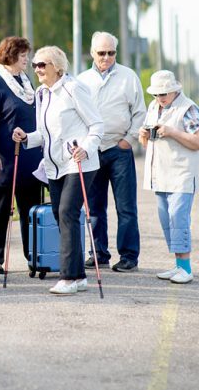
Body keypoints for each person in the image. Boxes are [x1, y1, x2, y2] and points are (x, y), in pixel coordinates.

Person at [12, 46, 103, 295]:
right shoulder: (42, 93)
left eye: (43, 64)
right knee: (59, 213)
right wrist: (26, 138)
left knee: (67, 211)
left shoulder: (73, 88)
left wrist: (85, 147)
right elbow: (44, 133)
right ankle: (79, 276)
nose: (38, 69)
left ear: (58, 68)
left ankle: (68, 277)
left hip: (79, 161)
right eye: (35, 65)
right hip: (53, 165)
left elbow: (96, 124)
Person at [77, 31, 146, 273]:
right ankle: (98, 253)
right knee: (94, 208)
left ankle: (128, 256)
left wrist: (129, 140)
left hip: (119, 149)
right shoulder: (82, 80)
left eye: (111, 52)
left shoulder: (128, 77)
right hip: (93, 151)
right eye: (101, 53)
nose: (106, 57)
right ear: (92, 53)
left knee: (126, 207)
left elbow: (140, 112)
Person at [0, 36, 43, 272]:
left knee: (31, 211)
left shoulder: (26, 82)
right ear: (11, 55)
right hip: (4, 159)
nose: (27, 59)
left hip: (30, 158)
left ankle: (35, 257)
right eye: (23, 54)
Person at [139, 70, 199, 284]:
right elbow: (148, 144)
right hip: (160, 174)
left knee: (179, 217)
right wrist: (144, 136)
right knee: (167, 220)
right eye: (157, 94)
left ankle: (186, 268)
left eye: (164, 93)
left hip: (181, 173)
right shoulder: (153, 107)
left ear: (175, 90)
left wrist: (172, 132)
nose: (160, 97)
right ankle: (178, 266)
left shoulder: (188, 108)